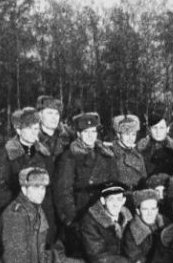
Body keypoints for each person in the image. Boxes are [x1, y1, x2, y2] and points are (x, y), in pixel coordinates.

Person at [0, 108, 56, 243]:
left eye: (36, 128)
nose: (34, 132)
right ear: (18, 130)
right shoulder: (6, 154)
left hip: (42, 214)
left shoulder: (44, 154)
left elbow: (50, 184)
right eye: (29, 128)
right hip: (15, 215)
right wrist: (14, 205)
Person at [55, 112, 119, 253]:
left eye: (93, 131)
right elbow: (63, 191)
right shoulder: (69, 157)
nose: (91, 135)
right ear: (78, 134)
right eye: (86, 132)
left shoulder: (106, 155)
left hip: (104, 209)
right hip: (81, 210)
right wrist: (71, 219)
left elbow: (115, 185)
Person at [137, 106, 173, 178]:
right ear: (149, 129)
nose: (158, 131)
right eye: (154, 128)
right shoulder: (140, 149)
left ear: (167, 129)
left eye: (161, 128)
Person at [111, 114, 148, 191]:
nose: (131, 138)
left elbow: (144, 180)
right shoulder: (111, 154)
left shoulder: (138, 155)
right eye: (127, 134)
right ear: (118, 135)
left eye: (133, 134)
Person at [36, 95, 74, 159]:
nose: (54, 117)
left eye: (56, 113)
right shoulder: (31, 136)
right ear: (40, 115)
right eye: (50, 113)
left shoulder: (68, 134)